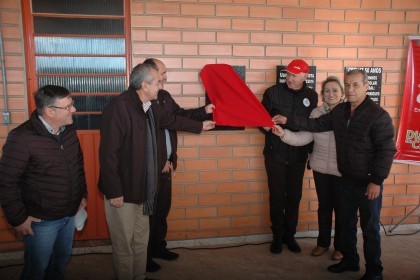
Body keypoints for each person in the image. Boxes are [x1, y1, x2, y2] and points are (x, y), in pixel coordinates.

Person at [274, 69, 396, 280]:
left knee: (370, 229)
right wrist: (287, 120)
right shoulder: (340, 112)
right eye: (348, 85)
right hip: (346, 179)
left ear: (367, 87)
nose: (350, 89)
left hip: (368, 183)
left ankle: (375, 272)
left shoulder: (378, 115)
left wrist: (376, 181)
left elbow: (386, 151)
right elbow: (314, 124)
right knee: (346, 224)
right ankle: (349, 261)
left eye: (355, 85)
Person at [98, 63, 215, 280]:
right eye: (158, 82)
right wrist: (114, 191)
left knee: (141, 240)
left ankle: (139, 275)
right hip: (123, 190)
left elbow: (173, 119)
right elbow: (108, 155)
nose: (162, 85)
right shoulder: (118, 108)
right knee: (125, 244)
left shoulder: (150, 106)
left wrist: (201, 125)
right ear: (144, 84)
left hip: (145, 188)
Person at [0, 85, 87, 280]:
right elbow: (6, 181)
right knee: (36, 270)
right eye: (68, 107)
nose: (73, 110)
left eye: (71, 104)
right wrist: (18, 218)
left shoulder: (69, 130)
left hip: (69, 214)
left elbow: (77, 165)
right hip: (42, 221)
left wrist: (82, 195)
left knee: (60, 262)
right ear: (50, 111)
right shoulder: (22, 137)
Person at [143, 58, 215, 272]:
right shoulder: (144, 99)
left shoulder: (163, 96)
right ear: (151, 74)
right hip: (152, 167)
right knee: (149, 214)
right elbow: (167, 122)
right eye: (162, 72)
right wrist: (199, 126)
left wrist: (204, 110)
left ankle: (158, 247)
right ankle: (144, 256)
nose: (165, 76)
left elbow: (179, 114)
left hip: (167, 164)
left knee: (162, 211)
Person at [272, 76, 345, 261]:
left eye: (335, 90)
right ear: (322, 94)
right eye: (327, 90)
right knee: (324, 208)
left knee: (342, 210)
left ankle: (341, 246)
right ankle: (322, 243)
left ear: (342, 93)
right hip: (320, 167)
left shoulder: (349, 113)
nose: (331, 94)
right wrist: (283, 134)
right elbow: (305, 137)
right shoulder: (316, 113)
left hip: (342, 170)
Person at [260, 59, 318, 254]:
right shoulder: (272, 92)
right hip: (275, 153)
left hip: (298, 155)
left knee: (294, 196)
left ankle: (290, 236)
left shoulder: (312, 96)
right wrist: (265, 126)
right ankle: (277, 236)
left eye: (294, 75)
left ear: (304, 76)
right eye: (288, 74)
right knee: (277, 196)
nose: (289, 78)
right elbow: (261, 119)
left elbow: (311, 126)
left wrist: (311, 151)